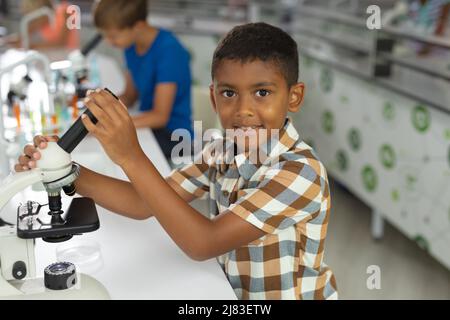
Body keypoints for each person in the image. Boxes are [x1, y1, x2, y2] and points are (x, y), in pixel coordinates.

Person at [16, 22, 337, 300]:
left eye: (262, 93)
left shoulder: (300, 174)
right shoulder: (222, 149)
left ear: (293, 96)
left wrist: (130, 155)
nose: (243, 110)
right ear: (213, 97)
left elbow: (204, 242)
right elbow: (143, 203)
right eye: (229, 93)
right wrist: (66, 171)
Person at [92, 0, 193, 158]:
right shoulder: (131, 46)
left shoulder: (170, 51)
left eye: (113, 36)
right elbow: (130, 96)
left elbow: (160, 117)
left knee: (113, 153)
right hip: (150, 126)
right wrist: (98, 109)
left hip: (174, 136)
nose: (108, 41)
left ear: (137, 26)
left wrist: (110, 124)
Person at [7, 0, 79, 50]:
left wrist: (29, 46)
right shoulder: (43, 17)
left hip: (67, 56)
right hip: (52, 56)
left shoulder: (66, 10)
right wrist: (6, 40)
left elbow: (61, 43)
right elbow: (23, 34)